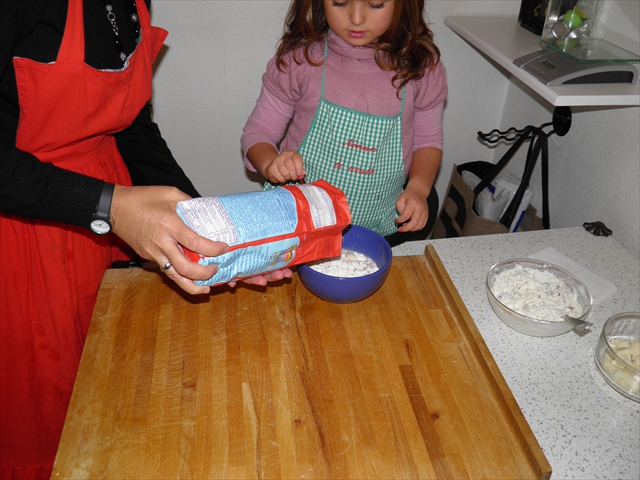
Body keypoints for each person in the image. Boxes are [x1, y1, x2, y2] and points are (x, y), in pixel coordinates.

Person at [0, 1, 290, 478]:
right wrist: (106, 206)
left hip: (110, 220)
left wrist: (207, 229)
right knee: (46, 415)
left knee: (116, 397)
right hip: (23, 241)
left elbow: (132, 129)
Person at [241, 0, 447, 247]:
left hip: (380, 229)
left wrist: (418, 189)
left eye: (376, 4)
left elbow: (427, 142)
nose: (356, 18)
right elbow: (258, 132)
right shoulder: (300, 60)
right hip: (300, 226)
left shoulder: (421, 67)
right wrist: (270, 163)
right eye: (340, 2)